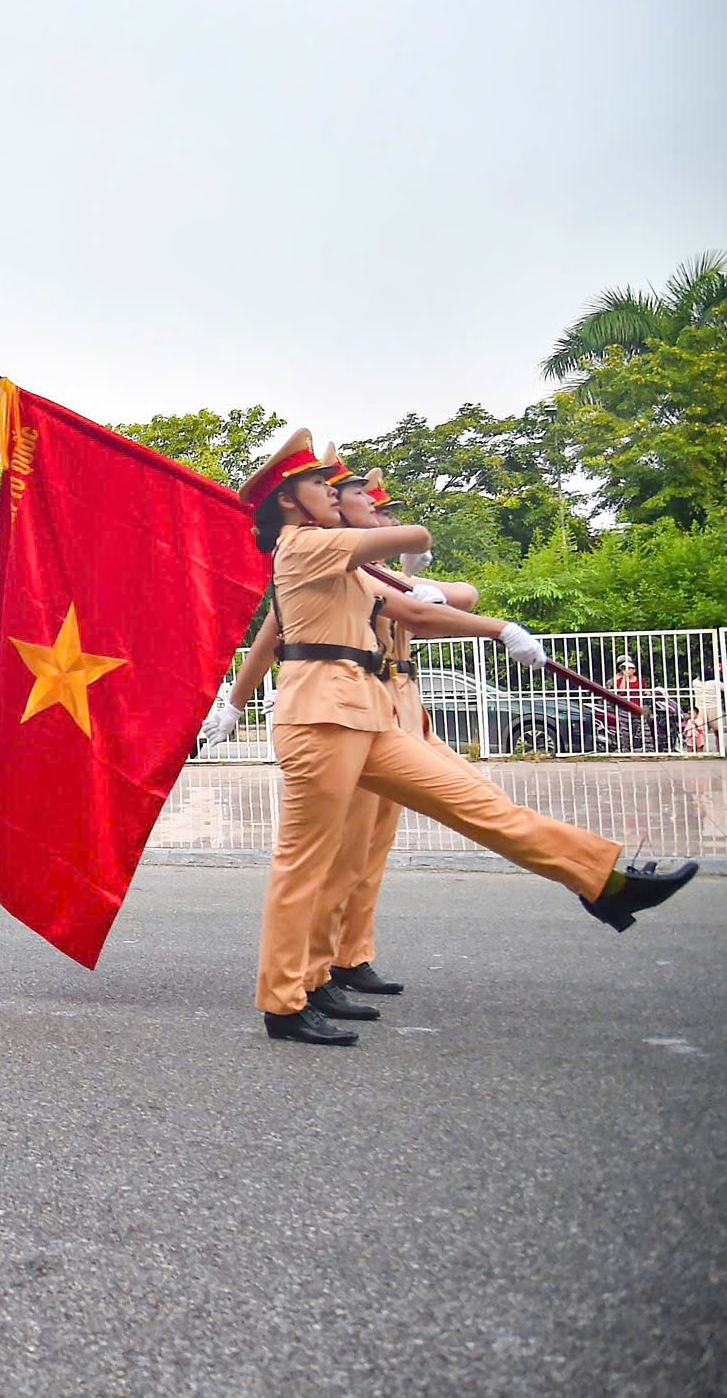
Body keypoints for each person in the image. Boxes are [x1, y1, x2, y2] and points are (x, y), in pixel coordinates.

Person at [228, 430, 697, 1048]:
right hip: (321, 717)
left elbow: (418, 614)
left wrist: (500, 627)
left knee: (478, 804)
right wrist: (404, 559)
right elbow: (414, 538)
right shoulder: (305, 546)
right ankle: (284, 1003)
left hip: (369, 715)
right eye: (322, 486)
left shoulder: (334, 553)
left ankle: (601, 879)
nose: (340, 496)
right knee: (307, 863)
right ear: (289, 501)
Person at [209, 461, 474, 1009]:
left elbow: (459, 599)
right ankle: (314, 971)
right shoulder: (318, 556)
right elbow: (272, 636)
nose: (378, 513)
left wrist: (425, 583)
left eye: (383, 509)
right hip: (344, 706)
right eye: (367, 502)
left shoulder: (367, 566)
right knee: (338, 852)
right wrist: (235, 703)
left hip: (392, 702)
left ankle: (350, 954)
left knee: (371, 847)